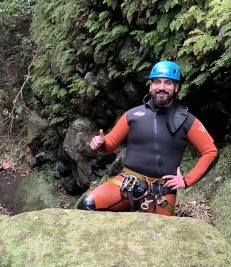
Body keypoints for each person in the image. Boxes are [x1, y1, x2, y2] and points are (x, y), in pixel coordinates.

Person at [80, 60, 217, 215]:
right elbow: (110, 144)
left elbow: (210, 151)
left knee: (157, 234)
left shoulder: (187, 120)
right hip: (127, 181)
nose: (162, 87)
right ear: (151, 86)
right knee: (87, 204)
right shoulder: (133, 115)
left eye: (168, 83)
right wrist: (101, 143)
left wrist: (186, 181)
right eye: (157, 82)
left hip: (161, 191)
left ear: (176, 87)